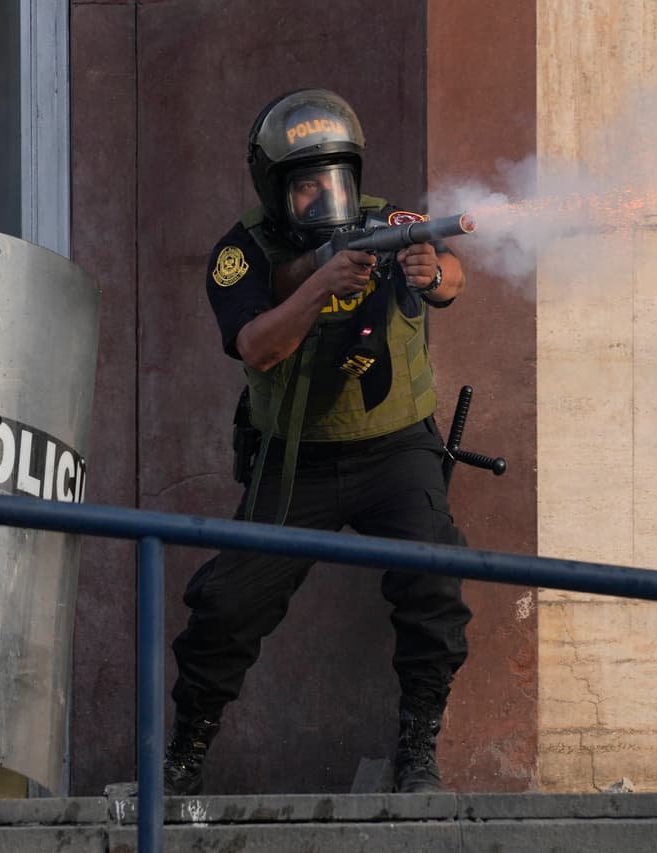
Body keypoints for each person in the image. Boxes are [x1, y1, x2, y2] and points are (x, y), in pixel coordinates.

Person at [165, 88, 472, 796]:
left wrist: (433, 272)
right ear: (274, 191)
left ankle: (419, 750)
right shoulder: (241, 254)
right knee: (227, 606)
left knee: (435, 584)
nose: (324, 200)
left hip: (396, 449)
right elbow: (257, 347)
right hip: (294, 459)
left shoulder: (389, 220)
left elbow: (451, 272)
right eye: (305, 188)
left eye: (335, 182)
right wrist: (318, 283)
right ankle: (184, 755)